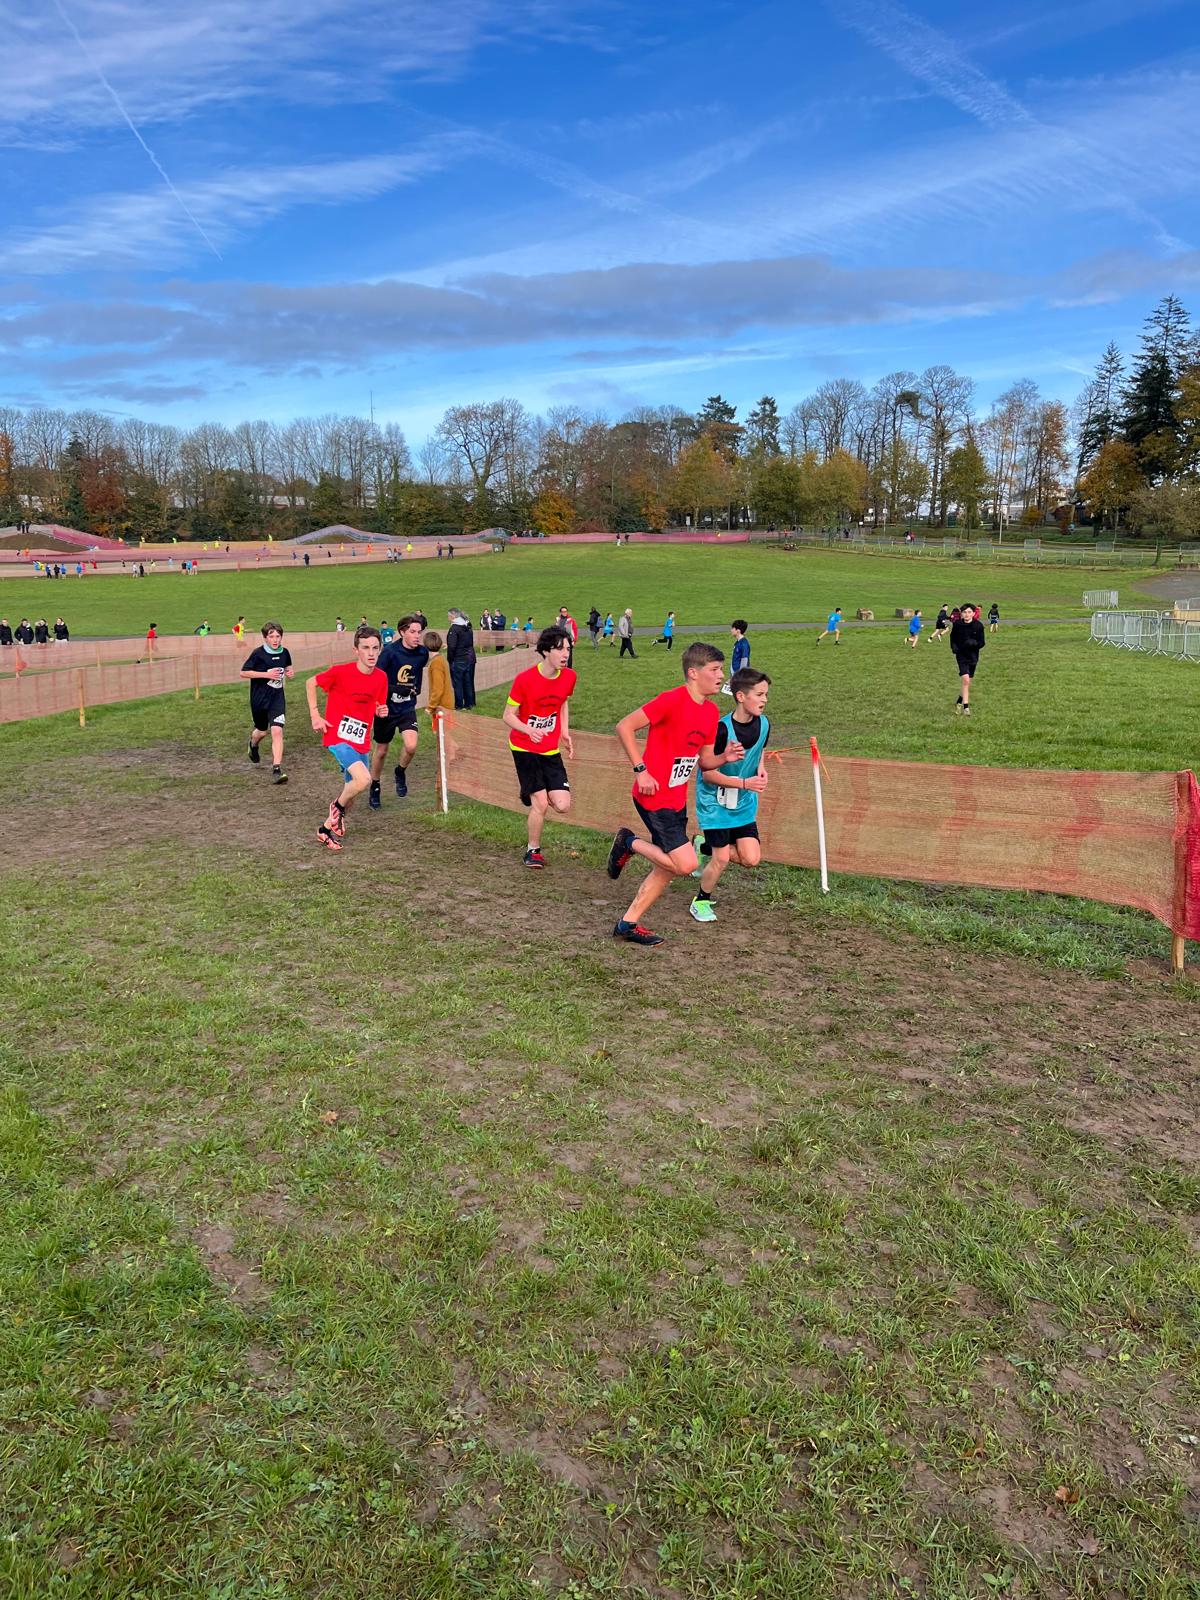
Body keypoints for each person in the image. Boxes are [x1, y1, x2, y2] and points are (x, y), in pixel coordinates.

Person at [606, 641, 728, 947]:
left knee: (667, 867)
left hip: (676, 800)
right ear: (693, 673)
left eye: (721, 669)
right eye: (715, 670)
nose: (721, 676)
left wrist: (726, 758)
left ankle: (627, 924)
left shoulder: (711, 712)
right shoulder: (671, 700)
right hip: (653, 796)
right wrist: (641, 770)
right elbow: (624, 726)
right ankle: (628, 842)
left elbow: (705, 761)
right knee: (685, 864)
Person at [690, 668, 772, 923]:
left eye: (766, 694)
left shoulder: (765, 723)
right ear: (740, 696)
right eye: (759, 694)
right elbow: (707, 774)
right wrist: (744, 782)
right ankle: (700, 901)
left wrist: (761, 768)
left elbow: (759, 751)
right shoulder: (721, 730)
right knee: (722, 858)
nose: (764, 699)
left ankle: (702, 846)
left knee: (751, 859)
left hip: (743, 803)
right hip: (714, 803)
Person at [306, 625, 388, 851]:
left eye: (375, 648)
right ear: (356, 650)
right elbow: (310, 682)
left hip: (360, 740)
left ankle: (324, 830)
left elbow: (377, 704)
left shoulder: (381, 677)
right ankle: (336, 807)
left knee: (351, 793)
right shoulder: (340, 672)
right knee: (364, 780)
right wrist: (315, 715)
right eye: (365, 648)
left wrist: (380, 710)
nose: (371, 653)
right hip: (337, 736)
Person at [503, 625, 576, 869]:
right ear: (545, 651)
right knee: (541, 803)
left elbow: (563, 702)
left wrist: (564, 731)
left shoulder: (569, 677)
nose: (565, 654)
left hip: (549, 748)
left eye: (568, 649)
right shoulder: (525, 680)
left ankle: (529, 790)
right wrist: (529, 730)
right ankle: (532, 851)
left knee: (563, 805)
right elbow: (508, 715)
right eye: (560, 649)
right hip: (524, 746)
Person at [369, 614, 429, 807]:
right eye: (412, 632)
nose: (417, 636)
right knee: (381, 750)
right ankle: (375, 785)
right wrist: (396, 689)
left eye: (419, 632)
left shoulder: (422, 653)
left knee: (411, 746)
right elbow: (376, 680)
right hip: (386, 708)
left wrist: (416, 689)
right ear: (402, 632)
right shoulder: (389, 653)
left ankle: (400, 771)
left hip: (406, 707)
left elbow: (417, 674)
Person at [240, 621, 294, 783]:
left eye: (278, 636)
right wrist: (266, 675)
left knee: (277, 731)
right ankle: (253, 744)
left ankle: (277, 770)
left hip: (277, 699)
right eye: (271, 636)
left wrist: (290, 672)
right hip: (259, 700)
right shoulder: (258, 654)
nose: (275, 639)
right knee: (262, 731)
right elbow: (243, 673)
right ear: (265, 638)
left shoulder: (285, 652)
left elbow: (288, 666)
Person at [950, 602, 986, 716]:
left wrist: (973, 643)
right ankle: (966, 707)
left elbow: (982, 642)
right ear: (961, 614)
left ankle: (959, 701)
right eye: (965, 612)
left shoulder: (978, 626)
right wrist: (954, 647)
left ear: (974, 613)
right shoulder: (957, 624)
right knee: (965, 680)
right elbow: (953, 638)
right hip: (961, 655)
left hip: (973, 656)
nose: (967, 614)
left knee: (967, 682)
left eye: (969, 612)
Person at [446, 608, 476, 709]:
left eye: (449, 616)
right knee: (467, 682)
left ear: (453, 616)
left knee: (457, 683)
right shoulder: (467, 626)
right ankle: (469, 703)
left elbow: (452, 646)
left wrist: (450, 659)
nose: (448, 618)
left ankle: (459, 705)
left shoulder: (454, 628)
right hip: (468, 657)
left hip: (458, 658)